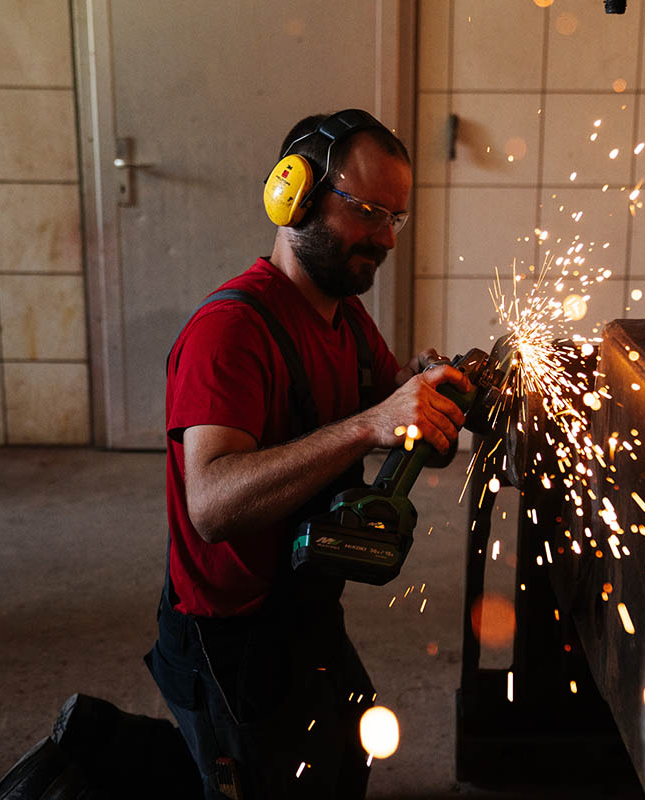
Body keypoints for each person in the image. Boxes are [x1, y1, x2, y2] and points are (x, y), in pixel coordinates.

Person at [146, 109, 471, 799]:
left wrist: (431, 396)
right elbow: (210, 505)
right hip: (228, 637)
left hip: (306, 608)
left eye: (396, 218)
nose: (385, 238)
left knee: (342, 763)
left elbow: (396, 416)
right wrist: (368, 425)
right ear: (293, 195)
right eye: (367, 211)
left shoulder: (343, 314)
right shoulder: (229, 332)